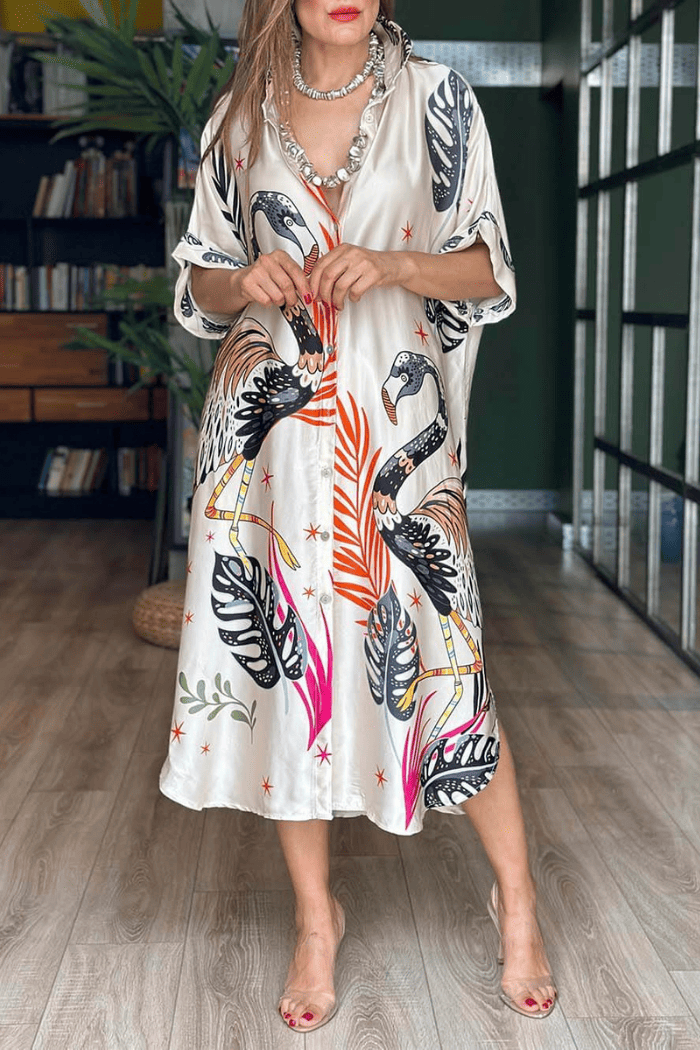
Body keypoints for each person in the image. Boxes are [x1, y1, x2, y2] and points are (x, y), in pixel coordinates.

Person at [159, 0, 558, 1032]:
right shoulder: (237, 115)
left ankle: (516, 899)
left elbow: (487, 268)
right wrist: (242, 275)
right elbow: (197, 284)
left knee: (448, 662)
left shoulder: (440, 100)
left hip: (396, 434)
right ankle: (314, 918)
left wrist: (391, 264)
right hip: (272, 447)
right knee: (294, 669)